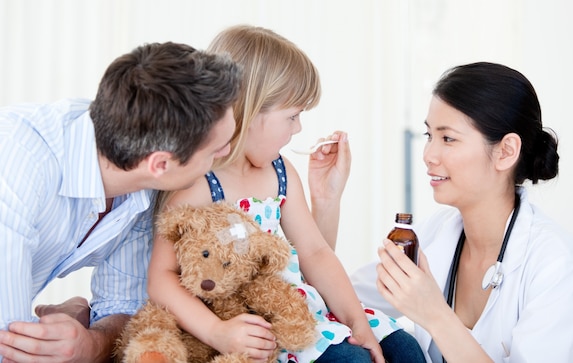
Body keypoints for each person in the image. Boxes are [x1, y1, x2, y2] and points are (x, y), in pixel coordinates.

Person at [149, 25, 425, 363]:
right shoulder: (198, 184)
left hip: (302, 310)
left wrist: (355, 320)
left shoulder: (280, 172)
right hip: (257, 328)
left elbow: (316, 252)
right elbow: (161, 280)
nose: (298, 128)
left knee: (404, 348)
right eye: (292, 116)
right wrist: (216, 332)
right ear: (247, 112)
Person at [0, 42, 242, 362]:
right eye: (216, 149)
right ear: (160, 164)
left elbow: (125, 310)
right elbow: (11, 344)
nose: (227, 154)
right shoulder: (16, 161)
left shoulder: (141, 185)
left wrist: (91, 342)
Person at [351, 62, 573, 362]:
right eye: (429, 135)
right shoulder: (435, 234)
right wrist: (326, 198)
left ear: (506, 151)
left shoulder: (559, 267)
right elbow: (340, 299)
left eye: (448, 138)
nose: (428, 155)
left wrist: (435, 314)